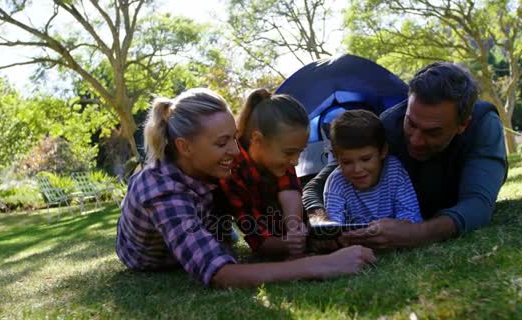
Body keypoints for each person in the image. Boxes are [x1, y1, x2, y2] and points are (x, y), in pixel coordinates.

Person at [115, 88, 375, 288]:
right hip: (158, 262)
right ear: (184, 147)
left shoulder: (209, 165)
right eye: (222, 143)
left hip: (212, 234)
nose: (235, 150)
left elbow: (281, 179)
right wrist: (323, 265)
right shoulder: (161, 188)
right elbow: (220, 274)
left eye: (233, 137)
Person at [303, 62, 508, 249]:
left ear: (463, 124)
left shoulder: (484, 125)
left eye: (433, 132)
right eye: (411, 123)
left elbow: (478, 204)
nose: (416, 140)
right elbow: (317, 185)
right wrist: (321, 222)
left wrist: (417, 233)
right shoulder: (388, 126)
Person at [219, 88, 310, 258]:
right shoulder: (231, 169)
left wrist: (294, 228)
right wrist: (287, 245)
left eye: (300, 152)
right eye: (290, 153)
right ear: (257, 139)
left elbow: (290, 188)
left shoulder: (280, 156)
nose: (295, 161)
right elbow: (259, 241)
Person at [324, 109, 422, 224]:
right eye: (347, 162)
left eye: (365, 159)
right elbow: (333, 225)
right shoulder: (337, 182)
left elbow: (411, 215)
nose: (357, 169)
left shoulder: (394, 171)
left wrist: (396, 231)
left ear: (383, 151)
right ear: (337, 159)